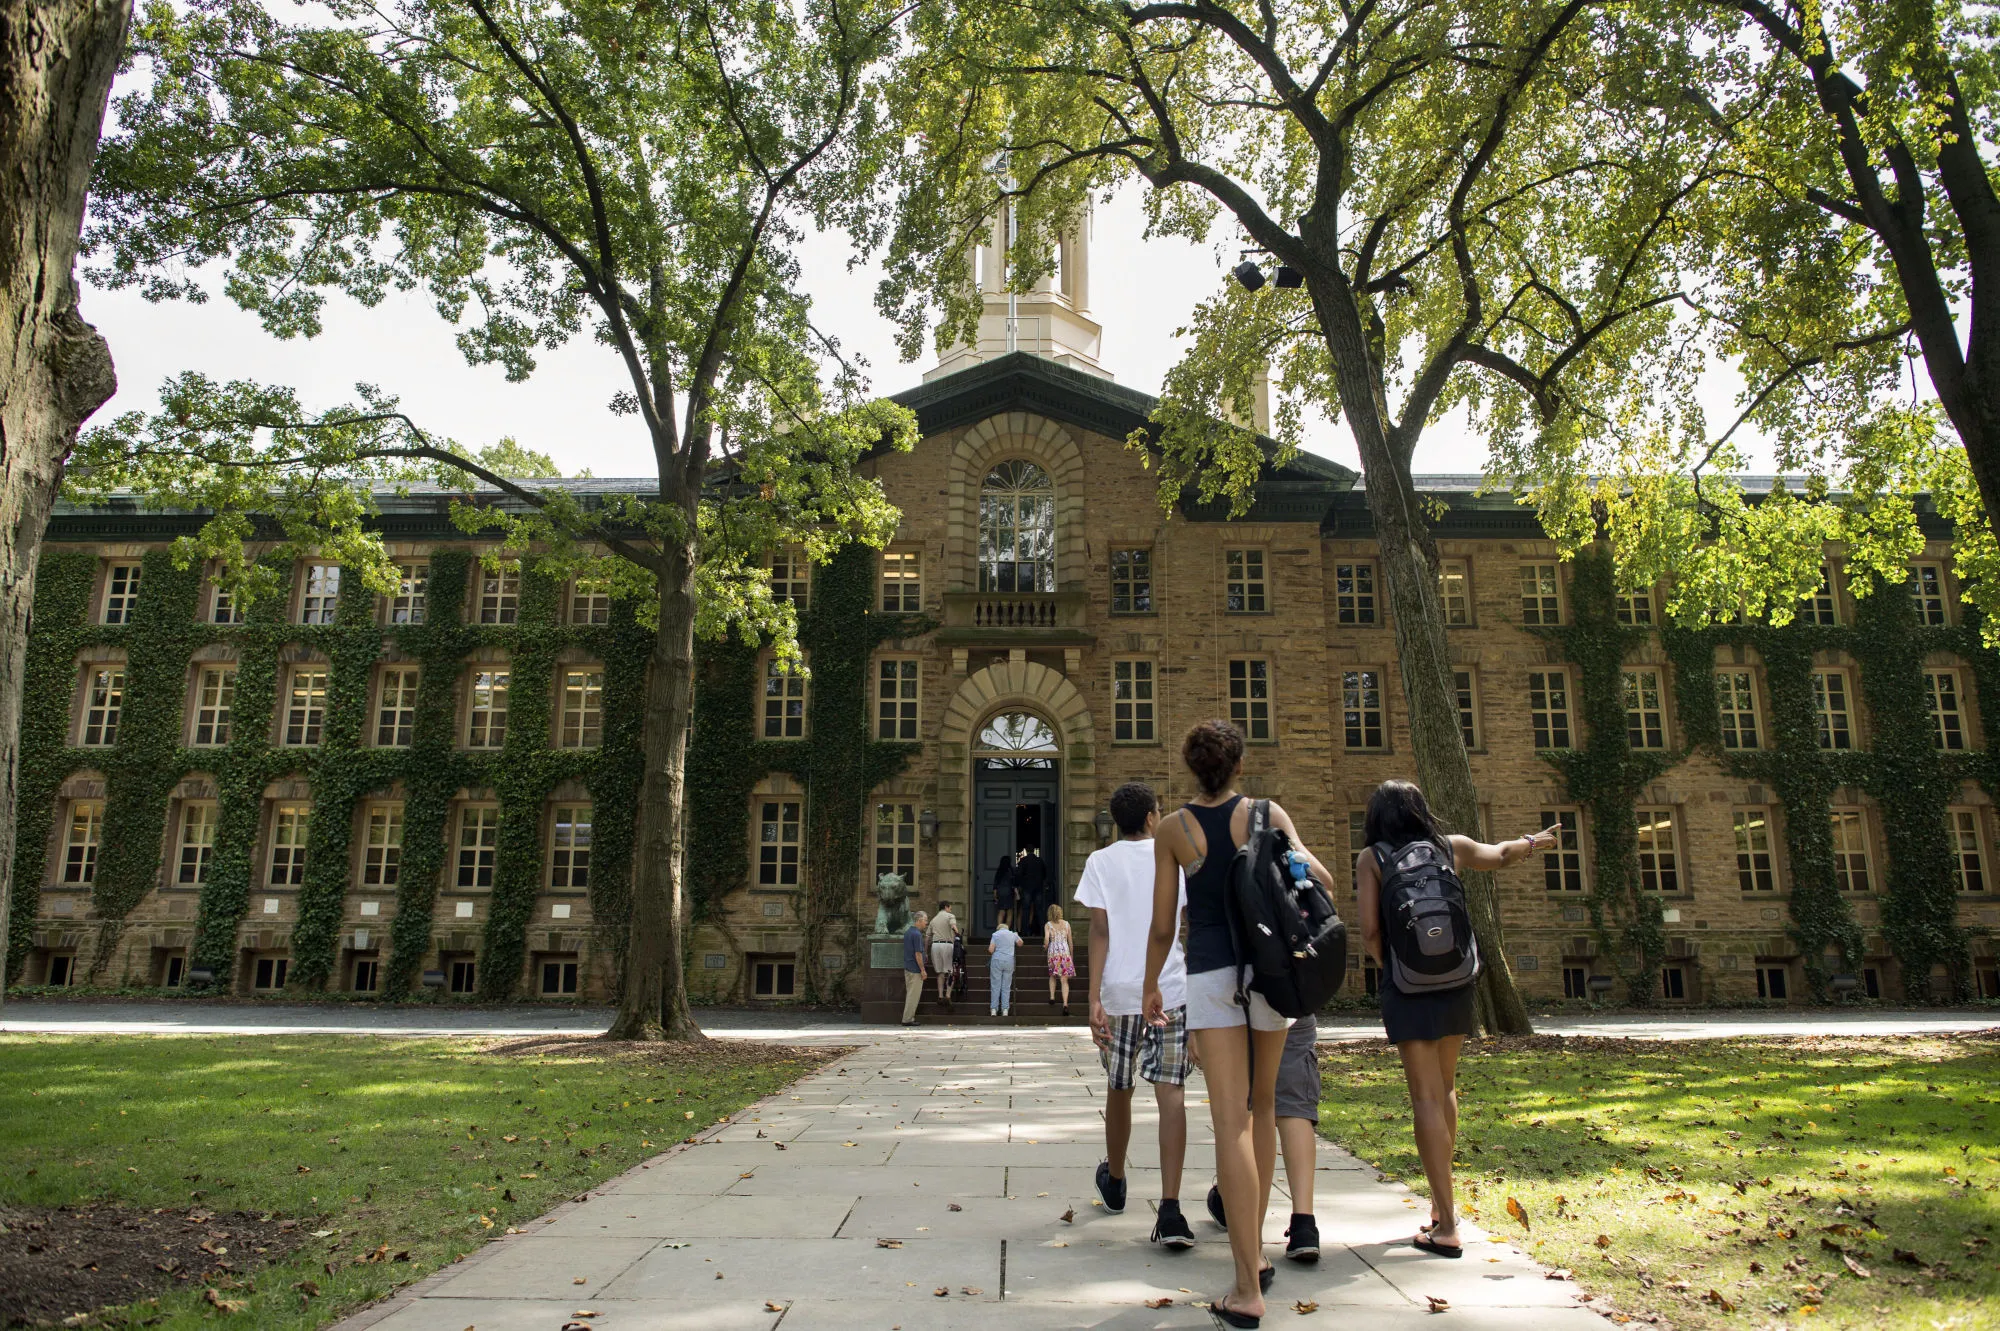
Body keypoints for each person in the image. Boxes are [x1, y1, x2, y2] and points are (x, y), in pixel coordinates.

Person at [1145, 718, 1336, 1328]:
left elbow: (1161, 926)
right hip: (1271, 972)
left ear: (1190, 768)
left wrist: (1152, 984)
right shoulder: (1267, 814)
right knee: (1262, 1112)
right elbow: (1321, 881)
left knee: (1228, 1124)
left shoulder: (1173, 830)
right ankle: (1256, 1263)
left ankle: (1246, 1284)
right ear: (1238, 765)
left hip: (1209, 977)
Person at [1355, 779, 1557, 1259]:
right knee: (1444, 1088)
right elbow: (1501, 854)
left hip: (1407, 985)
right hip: (1455, 981)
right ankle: (1442, 1205)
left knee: (1423, 1095)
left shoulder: (1373, 858)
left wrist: (1395, 971)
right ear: (1420, 810)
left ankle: (1446, 1223)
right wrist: (1534, 842)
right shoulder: (1450, 847)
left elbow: (1367, 930)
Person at [1079, 781, 1194, 1250]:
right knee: (1171, 1094)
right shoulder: (1171, 857)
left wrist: (1093, 998)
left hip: (1120, 991)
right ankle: (1169, 1208)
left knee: (1119, 1087)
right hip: (1167, 989)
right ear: (1151, 818)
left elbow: (1100, 929)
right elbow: (1178, 922)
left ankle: (1118, 1179)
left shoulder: (1099, 862)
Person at [1203, 1013, 1322, 1263]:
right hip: (1290, 996)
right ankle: (1304, 1223)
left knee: (1242, 1110)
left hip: (1237, 1004)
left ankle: (1243, 1221)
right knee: (1295, 1109)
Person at [1043, 904, 1075, 1014]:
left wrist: (1045, 946)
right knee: (1064, 979)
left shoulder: (1048, 925)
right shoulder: (1067, 924)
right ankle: (1065, 1004)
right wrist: (1071, 955)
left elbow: (1047, 939)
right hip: (1065, 953)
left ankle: (1052, 997)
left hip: (1053, 953)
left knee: (1052, 975)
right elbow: (1070, 941)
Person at [928, 901, 961, 1004]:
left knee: (940, 972)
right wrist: (958, 934)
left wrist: (925, 951)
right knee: (950, 970)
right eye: (950, 908)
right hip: (947, 945)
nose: (950, 910)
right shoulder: (950, 916)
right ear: (946, 907)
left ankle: (940, 996)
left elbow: (927, 936)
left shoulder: (933, 920)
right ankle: (948, 995)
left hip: (935, 946)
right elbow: (953, 926)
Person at [987, 919, 1022, 1017]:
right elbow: (1020, 943)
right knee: (1006, 986)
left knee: (995, 985)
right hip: (1009, 961)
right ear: (1007, 928)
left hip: (997, 960)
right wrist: (1016, 936)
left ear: (999, 929)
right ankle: (1005, 1009)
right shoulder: (1013, 934)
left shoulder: (995, 935)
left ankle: (994, 1009)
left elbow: (991, 949)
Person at [901, 910, 929, 1027]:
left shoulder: (908, 932)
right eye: (925, 920)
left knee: (911, 994)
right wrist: (922, 970)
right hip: (915, 969)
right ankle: (907, 1019)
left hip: (908, 967)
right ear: (919, 920)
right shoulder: (917, 934)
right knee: (913, 996)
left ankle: (908, 1018)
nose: (926, 923)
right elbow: (918, 954)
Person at [1013, 845, 1048, 935]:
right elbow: (1045, 874)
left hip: (1027, 888)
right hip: (1038, 888)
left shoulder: (1023, 861)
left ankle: (1024, 932)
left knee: (1026, 910)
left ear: (1026, 851)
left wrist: (1018, 885)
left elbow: (1019, 874)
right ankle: (1043, 932)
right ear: (1033, 851)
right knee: (1039, 910)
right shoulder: (1040, 861)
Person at [992, 849, 1017, 930]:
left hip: (1000, 892)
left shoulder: (999, 871)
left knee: (1001, 911)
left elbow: (995, 884)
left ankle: (999, 929)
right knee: (1010, 912)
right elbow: (1014, 883)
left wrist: (995, 894)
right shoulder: (1011, 871)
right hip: (1009, 892)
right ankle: (1006, 930)